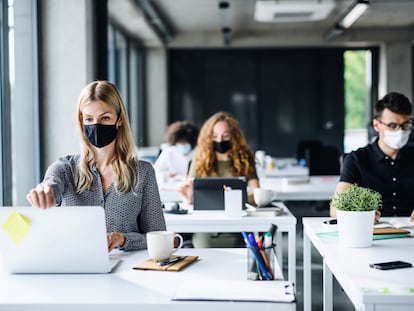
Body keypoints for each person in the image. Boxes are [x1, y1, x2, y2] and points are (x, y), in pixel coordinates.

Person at [26, 80, 166, 252]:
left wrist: (123, 239)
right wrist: (44, 192)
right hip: (73, 265)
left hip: (126, 269)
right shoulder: (64, 168)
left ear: (119, 120)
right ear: (81, 121)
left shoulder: (142, 172)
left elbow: (158, 237)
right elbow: (51, 184)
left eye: (105, 118)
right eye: (89, 119)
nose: (96, 125)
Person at [177, 111, 260, 247]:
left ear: (234, 137)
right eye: (215, 136)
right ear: (209, 137)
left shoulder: (245, 160)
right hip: (206, 227)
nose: (220, 141)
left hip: (236, 226)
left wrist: (238, 199)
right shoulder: (199, 161)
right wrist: (188, 199)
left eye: (225, 135)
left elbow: (256, 193)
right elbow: (191, 193)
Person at [330, 91, 414, 222]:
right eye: (392, 126)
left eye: (405, 125)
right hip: (372, 233)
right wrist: (361, 214)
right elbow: (335, 209)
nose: (400, 131)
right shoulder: (356, 159)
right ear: (376, 125)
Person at [154, 120, 199, 184]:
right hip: (171, 186)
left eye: (185, 143)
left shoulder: (198, 152)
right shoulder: (169, 151)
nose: (183, 146)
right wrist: (167, 175)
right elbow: (156, 171)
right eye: (180, 143)